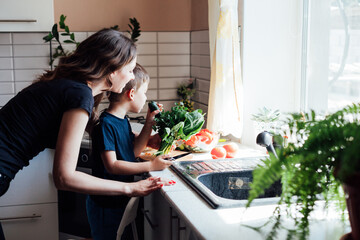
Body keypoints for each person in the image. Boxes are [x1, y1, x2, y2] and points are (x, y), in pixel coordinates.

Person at [0, 29, 167, 239]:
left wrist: (145, 136)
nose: (132, 76)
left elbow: (103, 131)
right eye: (131, 69)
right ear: (113, 69)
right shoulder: (80, 94)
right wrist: (130, 188)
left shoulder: (74, 88)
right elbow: (64, 177)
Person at [86, 64, 173, 240]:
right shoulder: (106, 124)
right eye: (145, 92)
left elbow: (133, 151)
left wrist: (149, 122)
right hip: (105, 204)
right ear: (131, 94)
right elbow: (113, 166)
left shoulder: (122, 120)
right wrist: (151, 165)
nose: (146, 97)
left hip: (117, 199)